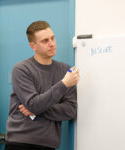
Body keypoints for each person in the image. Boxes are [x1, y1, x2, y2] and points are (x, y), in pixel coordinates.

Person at [5, 20, 80, 150]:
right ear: (33, 46)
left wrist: (35, 111)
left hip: (48, 145)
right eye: (45, 41)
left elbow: (70, 111)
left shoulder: (65, 70)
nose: (52, 44)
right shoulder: (21, 69)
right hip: (20, 143)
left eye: (52, 38)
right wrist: (63, 84)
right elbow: (33, 104)